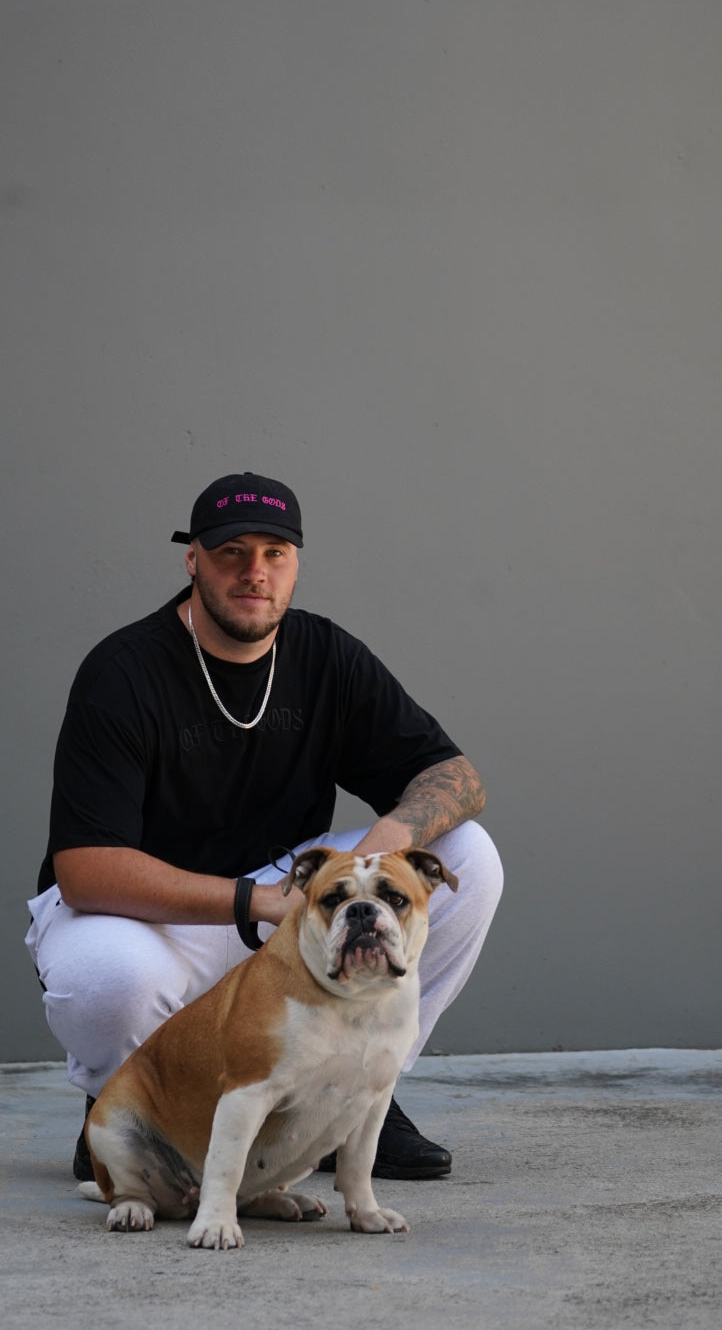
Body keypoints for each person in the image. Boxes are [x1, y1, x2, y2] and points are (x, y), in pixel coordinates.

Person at [26, 471, 503, 1182]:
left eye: (276, 553)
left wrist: (376, 854)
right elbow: (87, 871)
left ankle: (360, 1092)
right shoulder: (123, 672)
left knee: (470, 856)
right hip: (151, 915)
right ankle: (125, 1109)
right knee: (108, 974)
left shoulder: (325, 655)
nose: (256, 573)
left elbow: (458, 778)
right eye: (232, 552)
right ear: (193, 560)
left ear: (297, 563)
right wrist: (253, 900)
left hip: (294, 899)